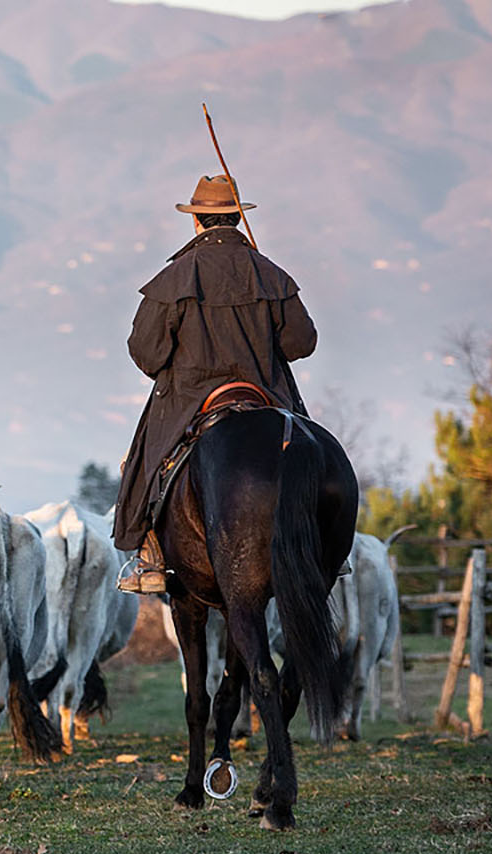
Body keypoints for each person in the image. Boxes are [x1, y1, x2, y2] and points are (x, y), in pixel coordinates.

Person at [113, 175, 316, 594]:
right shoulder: (271, 274)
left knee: (140, 465)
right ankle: (320, 544)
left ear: (197, 221)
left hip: (190, 399)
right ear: (238, 218)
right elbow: (301, 344)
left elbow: (146, 353)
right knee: (312, 456)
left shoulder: (174, 278)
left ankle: (148, 555)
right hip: (266, 395)